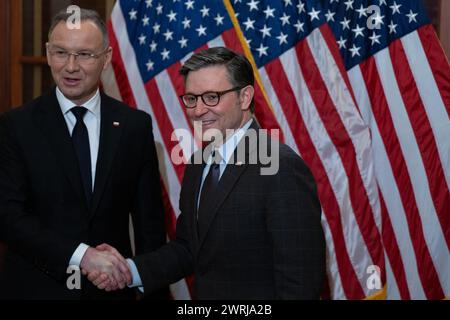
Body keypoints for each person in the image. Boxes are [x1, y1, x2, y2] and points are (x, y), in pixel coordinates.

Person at [88, 47, 325, 299]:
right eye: (191, 98)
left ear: (245, 98)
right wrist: (129, 271)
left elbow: (300, 283)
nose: (198, 110)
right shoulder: (199, 164)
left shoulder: (280, 167)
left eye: (212, 97)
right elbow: (190, 248)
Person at [0, 9, 166, 299]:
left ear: (106, 57)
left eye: (85, 54)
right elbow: (9, 218)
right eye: (61, 52)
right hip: (36, 290)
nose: (71, 67)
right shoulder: (16, 126)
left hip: (112, 292)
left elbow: (149, 225)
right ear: (48, 54)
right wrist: (82, 256)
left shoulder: (134, 127)